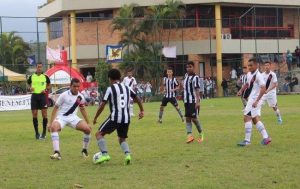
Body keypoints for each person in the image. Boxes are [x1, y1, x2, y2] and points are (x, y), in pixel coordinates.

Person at [93, 69, 144, 165]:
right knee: (122, 138)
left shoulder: (110, 89)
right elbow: (137, 98)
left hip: (115, 118)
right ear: (119, 77)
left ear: (110, 78)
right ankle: (127, 155)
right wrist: (142, 110)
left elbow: (102, 105)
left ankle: (104, 154)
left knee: (99, 134)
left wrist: (95, 117)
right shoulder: (127, 87)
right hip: (126, 118)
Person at [48, 78, 91, 160]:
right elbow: (55, 108)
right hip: (62, 117)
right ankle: (57, 152)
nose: (76, 88)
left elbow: (82, 109)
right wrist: (50, 123)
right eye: (74, 86)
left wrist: (88, 123)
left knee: (88, 130)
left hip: (73, 118)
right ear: (70, 86)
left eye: (78, 86)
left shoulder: (80, 96)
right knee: (54, 127)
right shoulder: (64, 95)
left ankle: (84, 150)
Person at [237, 58, 271, 147]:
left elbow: (263, 88)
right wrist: (241, 90)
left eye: (251, 65)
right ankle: (266, 137)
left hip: (254, 100)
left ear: (256, 65)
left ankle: (247, 141)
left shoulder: (258, 76)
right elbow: (247, 84)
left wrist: (257, 101)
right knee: (255, 119)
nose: (249, 67)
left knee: (246, 117)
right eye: (248, 65)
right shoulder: (249, 74)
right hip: (252, 99)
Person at [27, 62, 51, 140]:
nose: (39, 68)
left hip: (42, 96)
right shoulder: (31, 76)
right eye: (38, 67)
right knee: (34, 114)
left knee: (44, 114)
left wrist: (46, 89)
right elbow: (28, 83)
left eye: (40, 67)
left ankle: (44, 133)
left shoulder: (45, 76)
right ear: (36, 67)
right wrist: (30, 88)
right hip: (34, 96)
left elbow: (49, 85)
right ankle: (37, 133)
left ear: (42, 68)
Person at [183, 61, 204, 144]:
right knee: (188, 118)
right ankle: (190, 136)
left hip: (193, 101)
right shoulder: (186, 76)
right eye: (187, 67)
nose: (188, 68)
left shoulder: (196, 78)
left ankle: (201, 134)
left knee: (194, 119)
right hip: (186, 101)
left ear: (193, 67)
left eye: (190, 67)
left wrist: (197, 101)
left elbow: (197, 89)